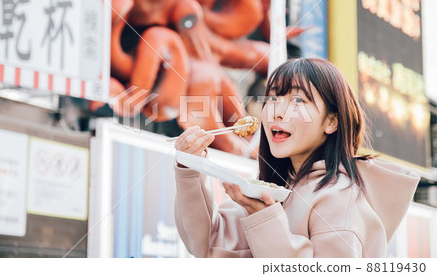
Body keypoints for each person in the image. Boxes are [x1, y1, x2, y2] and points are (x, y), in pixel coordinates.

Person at [173, 58, 420, 258]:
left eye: (298, 100)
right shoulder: (275, 188)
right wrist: (190, 168)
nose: (277, 112)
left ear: (332, 121)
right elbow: (206, 246)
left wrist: (265, 220)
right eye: (271, 99)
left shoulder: (340, 197)